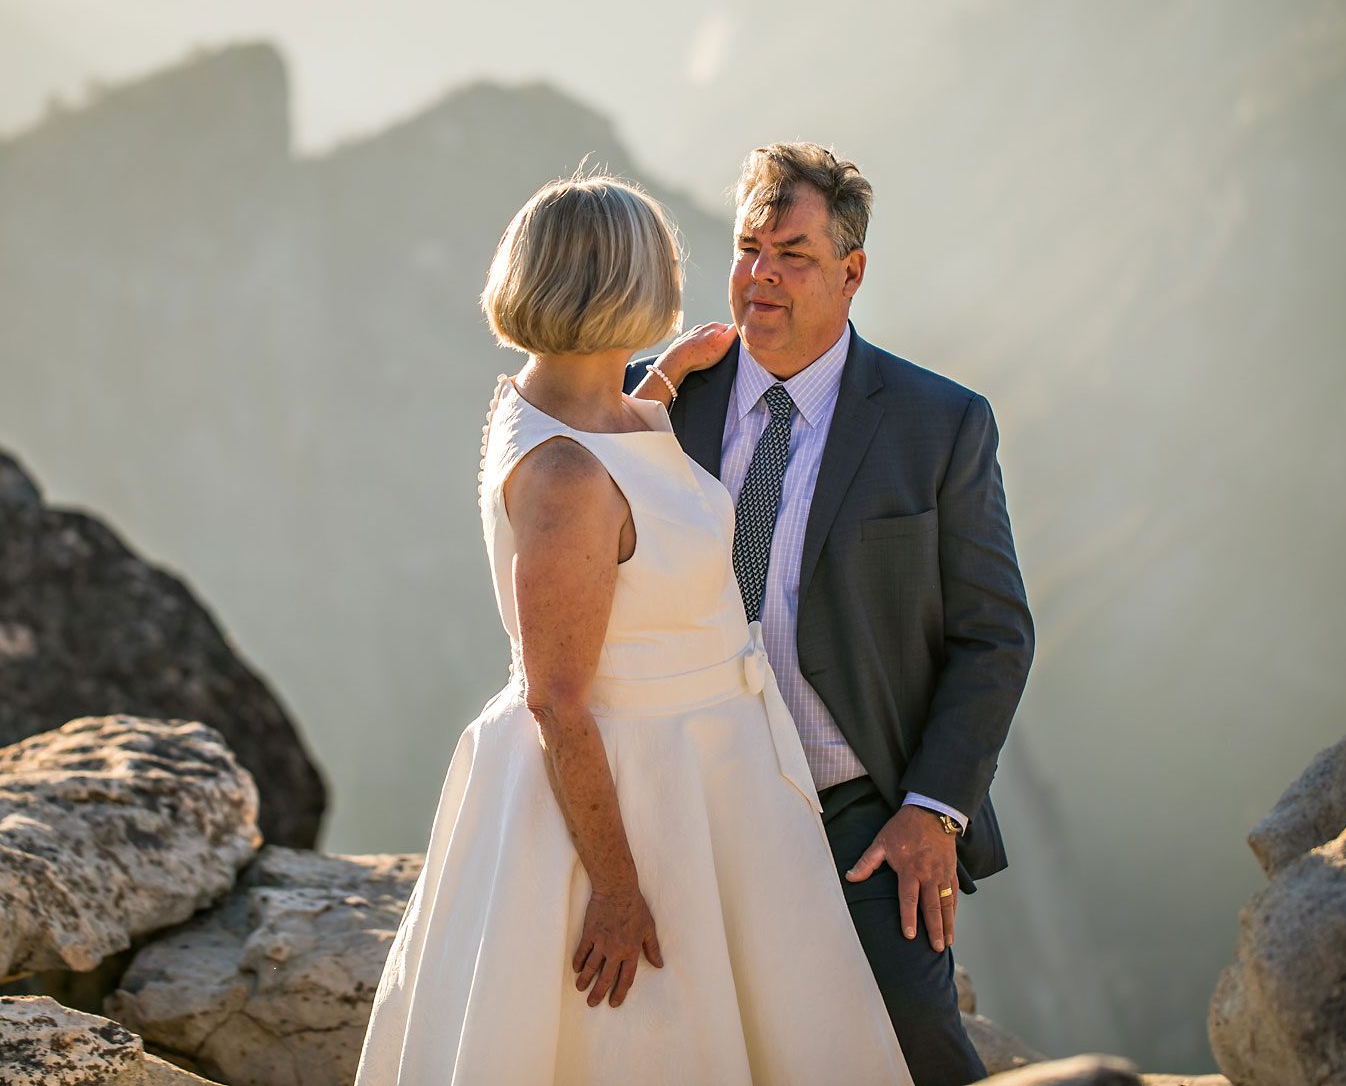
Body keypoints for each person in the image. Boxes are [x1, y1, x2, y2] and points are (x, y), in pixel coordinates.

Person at [354, 172, 913, 1085]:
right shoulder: (567, 478)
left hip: (705, 768)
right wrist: (617, 890)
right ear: (633, 286)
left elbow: (617, 469)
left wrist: (664, 379)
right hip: (647, 789)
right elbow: (559, 700)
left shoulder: (562, 404)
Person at [626, 142, 1035, 1086]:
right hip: (685, 801)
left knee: (913, 1039)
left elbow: (993, 636)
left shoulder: (939, 424)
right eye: (748, 248)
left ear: (852, 274)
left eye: (793, 256)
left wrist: (934, 812)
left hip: (855, 810)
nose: (761, 275)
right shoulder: (657, 398)